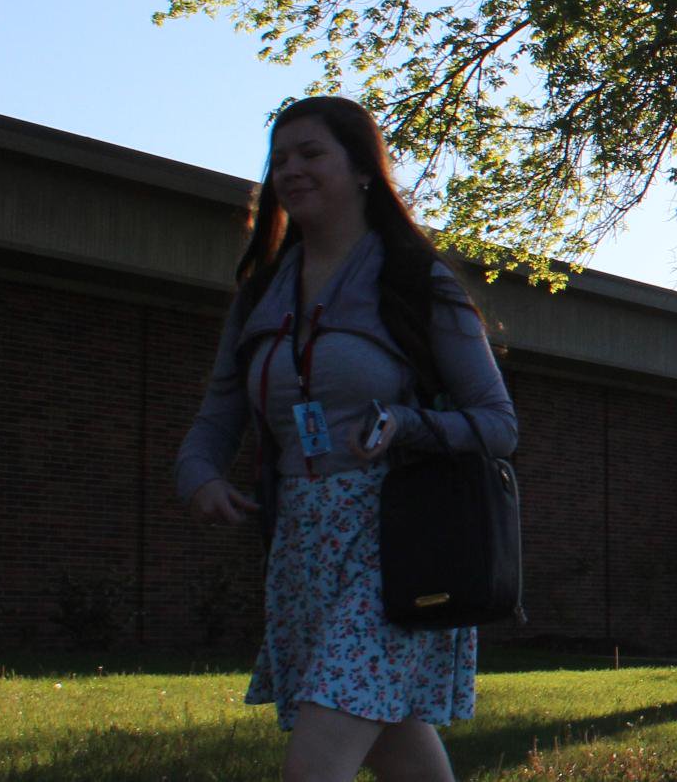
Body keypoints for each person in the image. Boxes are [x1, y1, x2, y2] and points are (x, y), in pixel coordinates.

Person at [175, 96, 517, 782]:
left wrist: (409, 424)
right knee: (400, 751)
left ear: (363, 169)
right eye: (279, 160)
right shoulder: (262, 293)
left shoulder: (415, 282)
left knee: (314, 764)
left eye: (310, 154)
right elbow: (218, 415)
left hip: (394, 544)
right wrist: (200, 476)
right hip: (301, 547)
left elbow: (498, 424)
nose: (290, 171)